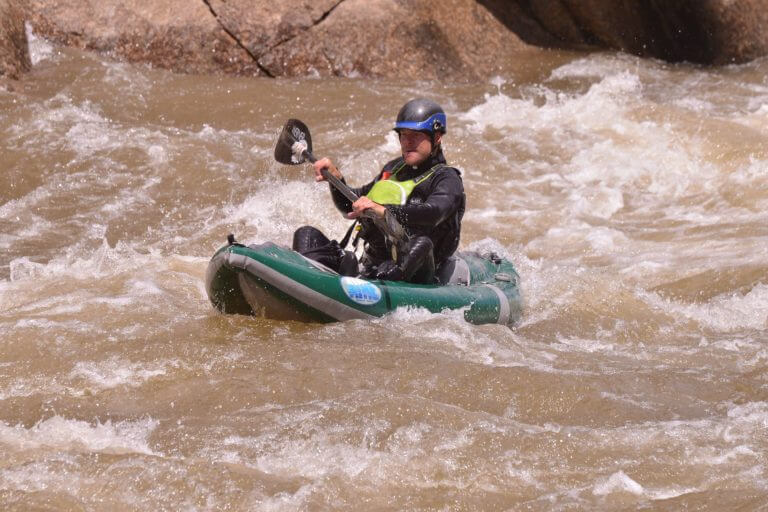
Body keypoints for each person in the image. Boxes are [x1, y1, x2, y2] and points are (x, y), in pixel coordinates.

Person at [292, 98, 465, 284]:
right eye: (404, 135)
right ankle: (306, 285)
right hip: (373, 264)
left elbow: (434, 212)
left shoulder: (447, 178)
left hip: (418, 272)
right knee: (306, 234)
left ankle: (373, 285)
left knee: (421, 244)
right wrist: (335, 179)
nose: (407, 142)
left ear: (437, 136)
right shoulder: (393, 169)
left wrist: (385, 211)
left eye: (416, 135)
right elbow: (352, 205)